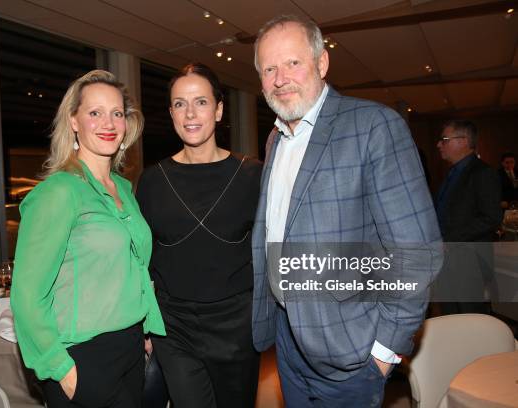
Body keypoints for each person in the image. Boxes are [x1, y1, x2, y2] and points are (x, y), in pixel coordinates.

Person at [251, 15, 443, 407]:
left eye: (293, 63)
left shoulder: (373, 126)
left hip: (351, 348)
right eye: (269, 68)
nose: (280, 77)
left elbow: (417, 253)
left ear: (321, 64)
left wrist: (384, 350)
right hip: (289, 340)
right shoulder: (275, 139)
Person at [11, 69, 165, 408]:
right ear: (74, 121)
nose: (108, 123)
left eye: (117, 113)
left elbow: (134, 264)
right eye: (95, 112)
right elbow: (25, 294)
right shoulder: (58, 192)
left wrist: (145, 327)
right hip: (81, 357)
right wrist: (61, 370)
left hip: (129, 347)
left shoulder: (123, 187)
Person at [136, 62, 262, 408]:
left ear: (219, 110)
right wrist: (144, 325)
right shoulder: (151, 181)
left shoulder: (253, 175)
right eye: (179, 103)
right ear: (171, 113)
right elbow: (140, 259)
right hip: (174, 329)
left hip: (237, 327)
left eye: (201, 102)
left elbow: (271, 249)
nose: (190, 113)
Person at [435, 120, 502, 314]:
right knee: (451, 317)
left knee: (471, 319)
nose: (439, 144)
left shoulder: (483, 173)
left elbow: (491, 217)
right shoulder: (453, 173)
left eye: (444, 139)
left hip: (469, 262)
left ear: (463, 141)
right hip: (448, 260)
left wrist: (448, 239)